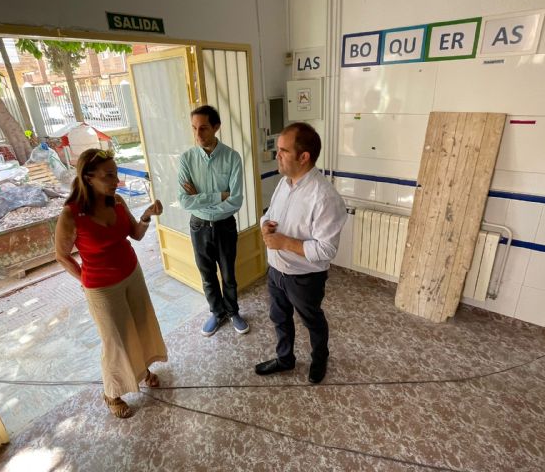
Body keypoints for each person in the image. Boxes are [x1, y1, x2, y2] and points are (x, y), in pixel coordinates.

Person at [55, 148, 167, 418]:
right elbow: (62, 256)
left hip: (132, 273)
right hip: (101, 287)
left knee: (140, 324)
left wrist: (146, 216)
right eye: (109, 175)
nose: (116, 180)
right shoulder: (71, 215)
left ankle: (142, 370)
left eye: (116, 174)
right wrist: (86, 280)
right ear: (88, 177)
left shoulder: (116, 201)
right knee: (116, 340)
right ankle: (112, 392)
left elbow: (136, 234)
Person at [255, 122, 347, 384]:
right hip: (276, 271)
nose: (277, 155)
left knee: (312, 320)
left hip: (304, 278)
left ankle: (320, 358)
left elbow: (326, 249)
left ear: (303, 157)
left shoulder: (324, 197)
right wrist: (265, 226)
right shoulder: (284, 184)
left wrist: (284, 242)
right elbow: (269, 215)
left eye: (283, 150)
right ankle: (285, 359)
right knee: (279, 317)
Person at [177, 105, 249, 337]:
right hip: (198, 226)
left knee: (228, 275)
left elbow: (235, 201)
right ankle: (217, 313)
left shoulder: (232, 158)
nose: (198, 134)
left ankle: (233, 312)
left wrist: (199, 198)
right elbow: (184, 201)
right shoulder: (186, 160)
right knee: (207, 276)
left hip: (225, 225)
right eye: (194, 128)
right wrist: (219, 196)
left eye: (204, 128)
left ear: (216, 127)